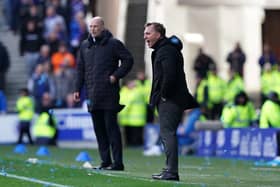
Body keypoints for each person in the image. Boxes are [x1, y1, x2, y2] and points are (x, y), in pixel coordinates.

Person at [73, 16, 133, 171]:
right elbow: (80, 70)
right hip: (92, 95)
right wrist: (77, 89)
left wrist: (115, 76)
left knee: (111, 129)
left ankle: (118, 163)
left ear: (102, 27)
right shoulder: (85, 46)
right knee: (99, 131)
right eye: (91, 26)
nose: (93, 29)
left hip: (109, 94)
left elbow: (128, 60)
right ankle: (105, 161)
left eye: (95, 26)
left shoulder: (113, 44)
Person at [143, 22, 198, 181]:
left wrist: (164, 95)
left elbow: (169, 75)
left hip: (170, 99)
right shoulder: (164, 50)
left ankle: (171, 171)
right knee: (167, 133)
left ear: (158, 34)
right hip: (172, 98)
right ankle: (170, 169)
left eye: (148, 33)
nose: (145, 37)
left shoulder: (166, 51)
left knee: (168, 133)